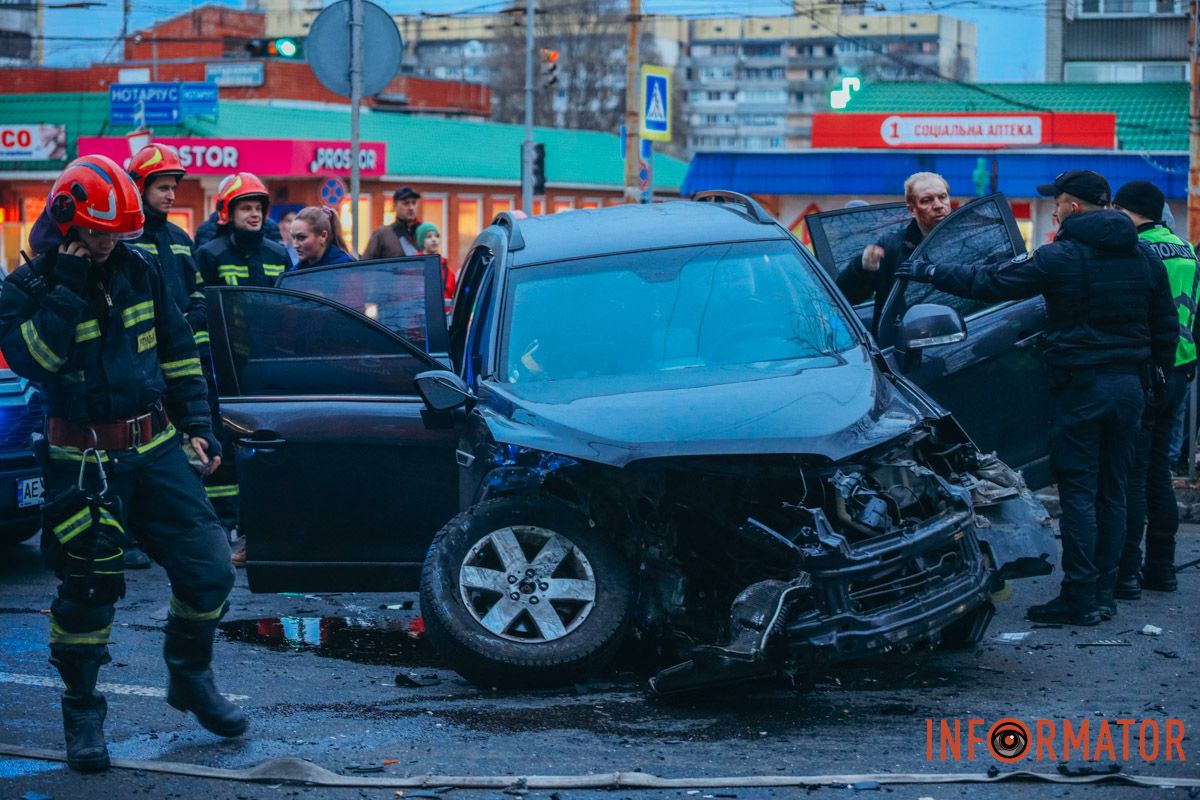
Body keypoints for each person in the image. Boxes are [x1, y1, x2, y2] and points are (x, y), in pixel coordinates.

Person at [0, 155, 247, 772]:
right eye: (99, 232)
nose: (111, 243)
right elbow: (37, 362)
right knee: (87, 590)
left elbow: (176, 347)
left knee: (211, 568)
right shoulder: (23, 291)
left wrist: (196, 424)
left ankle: (189, 675)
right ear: (68, 223)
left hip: (155, 445)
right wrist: (67, 287)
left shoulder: (138, 267)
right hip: (82, 459)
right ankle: (82, 709)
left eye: (119, 233)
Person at [898, 170, 1177, 626]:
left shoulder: (1061, 257)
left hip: (1083, 390)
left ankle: (1079, 597)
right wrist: (1152, 383)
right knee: (1115, 491)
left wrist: (928, 271)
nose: (1056, 207)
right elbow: (1165, 330)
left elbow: (991, 283)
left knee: (1081, 495)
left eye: (1060, 201)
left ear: (1073, 207)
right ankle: (1105, 593)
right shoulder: (1145, 259)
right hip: (1130, 390)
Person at [125, 143, 213, 571]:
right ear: (140, 188)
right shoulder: (126, 240)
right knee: (134, 447)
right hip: (139, 361)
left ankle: (164, 531)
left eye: (172, 187)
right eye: (161, 187)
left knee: (170, 448)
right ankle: (126, 537)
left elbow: (195, 290)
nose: (170, 195)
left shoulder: (179, 239)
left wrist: (191, 317)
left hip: (178, 354)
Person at [196, 173, 291, 564]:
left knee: (265, 444)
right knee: (225, 447)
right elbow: (200, 313)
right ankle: (222, 529)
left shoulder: (278, 254)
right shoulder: (211, 254)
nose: (253, 215)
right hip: (225, 365)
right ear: (227, 212)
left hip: (269, 365)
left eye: (257, 208)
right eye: (245, 208)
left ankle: (259, 527)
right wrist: (206, 365)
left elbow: (290, 309)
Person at [1114, 181, 1199, 599]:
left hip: (1151, 371)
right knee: (1159, 474)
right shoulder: (1186, 249)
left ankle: (1127, 572)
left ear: (1127, 211)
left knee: (1134, 474)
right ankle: (1161, 568)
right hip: (1182, 369)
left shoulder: (1139, 252)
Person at [836, 172, 951, 335]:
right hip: (901, 346)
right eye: (927, 200)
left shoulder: (970, 239)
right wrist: (863, 268)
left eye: (943, 197)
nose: (939, 205)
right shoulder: (891, 246)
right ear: (912, 209)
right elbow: (847, 297)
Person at [362, 186, 421, 259]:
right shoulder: (382, 234)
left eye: (414, 203)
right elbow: (366, 265)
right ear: (394, 206)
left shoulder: (424, 233)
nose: (411, 208)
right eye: (406, 203)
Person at [414, 221, 455, 305]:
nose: (434, 239)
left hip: (444, 317)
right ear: (422, 241)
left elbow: (454, 298)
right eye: (429, 236)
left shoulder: (449, 271)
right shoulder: (413, 268)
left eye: (437, 236)